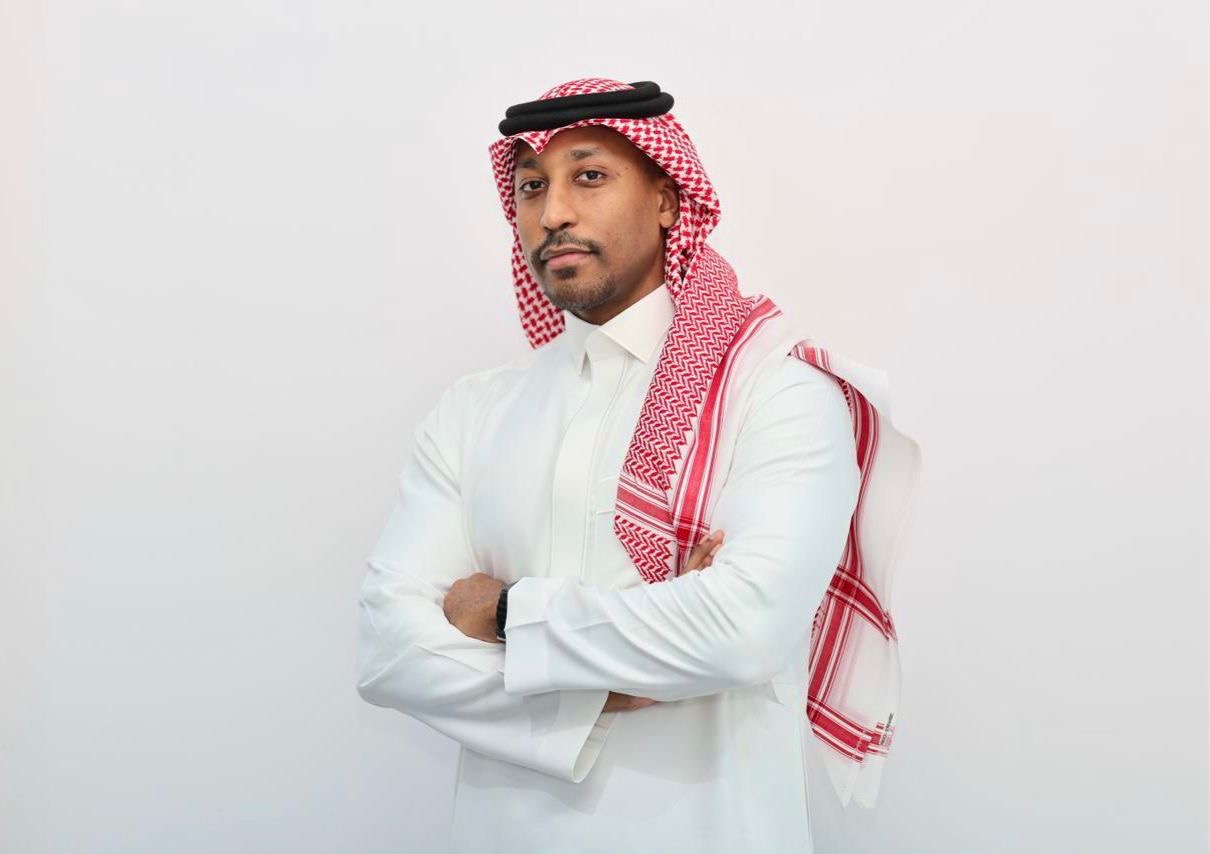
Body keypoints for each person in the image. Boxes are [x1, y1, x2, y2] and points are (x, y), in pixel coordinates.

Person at [356, 78, 922, 853]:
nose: (553, 213)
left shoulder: (775, 395)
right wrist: (596, 693)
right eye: (531, 187)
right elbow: (388, 650)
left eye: (589, 176)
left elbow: (741, 630)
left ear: (666, 200)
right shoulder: (474, 411)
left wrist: (502, 615)